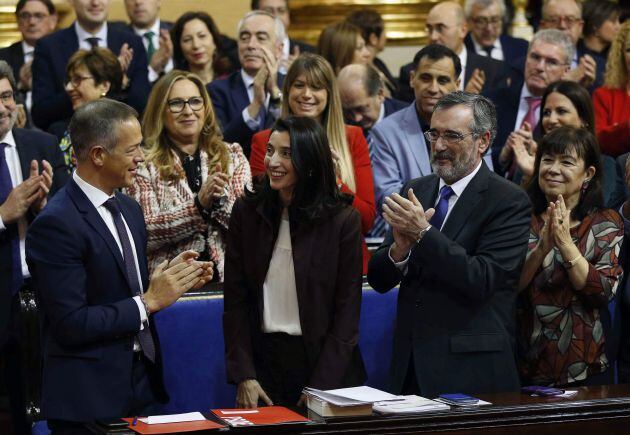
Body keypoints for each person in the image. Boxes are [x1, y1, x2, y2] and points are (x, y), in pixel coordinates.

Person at [26, 99, 212, 432]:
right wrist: (148, 301)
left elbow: (124, 287)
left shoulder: (129, 209)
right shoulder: (56, 224)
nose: (141, 158)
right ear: (98, 155)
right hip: (87, 400)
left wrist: (170, 279)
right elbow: (70, 323)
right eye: (132, 150)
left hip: (142, 383)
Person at [367, 91, 531, 396]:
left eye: (452, 136)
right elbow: (378, 279)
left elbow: (481, 278)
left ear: (483, 141)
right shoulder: (417, 189)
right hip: (411, 366)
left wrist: (424, 234)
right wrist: (398, 250)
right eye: (434, 134)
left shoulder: (508, 200)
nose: (439, 145)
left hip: (471, 372)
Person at [224, 116, 365, 408]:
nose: (273, 161)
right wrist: (244, 375)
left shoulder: (342, 220)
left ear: (311, 160)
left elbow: (346, 315)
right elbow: (236, 301)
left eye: (287, 153)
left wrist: (321, 386)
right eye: (271, 151)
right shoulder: (247, 212)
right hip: (264, 366)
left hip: (325, 368)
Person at [517, 126, 623, 387]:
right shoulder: (518, 217)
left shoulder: (605, 223)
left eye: (566, 161)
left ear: (588, 173)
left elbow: (602, 291)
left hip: (586, 367)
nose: (553, 169)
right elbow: (507, 286)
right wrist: (541, 248)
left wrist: (565, 243)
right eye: (547, 159)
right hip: (522, 364)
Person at [249, 53, 375, 272]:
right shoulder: (263, 141)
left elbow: (365, 221)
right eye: (299, 85)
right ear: (287, 91)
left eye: (317, 87)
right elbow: (259, 216)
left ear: (329, 94)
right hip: (284, 259)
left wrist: (333, 180)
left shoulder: (352, 138)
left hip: (342, 261)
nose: (307, 94)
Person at [125, 70, 250, 281]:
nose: (187, 110)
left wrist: (218, 201)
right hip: (170, 285)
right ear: (160, 111)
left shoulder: (232, 155)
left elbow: (248, 226)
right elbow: (144, 234)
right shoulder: (143, 165)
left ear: (205, 107)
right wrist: (198, 206)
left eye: (194, 101)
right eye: (176, 103)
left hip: (230, 280)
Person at [0, 59, 66, 435]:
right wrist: (2, 215)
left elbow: (71, 224)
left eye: (6, 96)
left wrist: (44, 209)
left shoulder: (42, 144)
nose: (1, 107)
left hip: (44, 297)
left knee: (44, 409)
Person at [31, 0, 150, 131]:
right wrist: (80, 88)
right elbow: (40, 114)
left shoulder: (131, 42)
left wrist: (119, 81)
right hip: (69, 137)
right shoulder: (49, 46)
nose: (95, 3)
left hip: (121, 135)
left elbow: (143, 107)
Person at [491, 29, 574, 176]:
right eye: (535, 57)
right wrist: (502, 156)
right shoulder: (492, 100)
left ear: (566, 71)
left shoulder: (570, 113)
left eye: (551, 62)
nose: (540, 67)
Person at [207, 10, 284, 159]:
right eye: (244, 38)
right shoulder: (216, 90)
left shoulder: (292, 85)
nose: (251, 45)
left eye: (261, 38)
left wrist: (275, 93)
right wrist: (255, 105)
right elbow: (218, 145)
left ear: (278, 49)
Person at [397, 1, 507, 102]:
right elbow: (411, 119)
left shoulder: (493, 70)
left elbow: (498, 119)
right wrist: (463, 100)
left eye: (440, 28)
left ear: (463, 30)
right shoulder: (410, 72)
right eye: (429, 29)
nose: (433, 36)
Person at [500, 80, 594, 183]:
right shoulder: (531, 158)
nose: (551, 120)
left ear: (583, 119)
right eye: (546, 113)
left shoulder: (604, 163)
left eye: (561, 111)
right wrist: (530, 174)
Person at [51, 47, 123, 171]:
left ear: (104, 86)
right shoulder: (57, 133)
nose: (69, 88)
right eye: (68, 80)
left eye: (77, 79)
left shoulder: (126, 129)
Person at [0, 0, 57, 123]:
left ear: (53, 20)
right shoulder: (2, 57)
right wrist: (20, 86)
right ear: (17, 20)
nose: (31, 22)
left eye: (39, 16)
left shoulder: (64, 55)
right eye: (25, 16)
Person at [538, 0, 603, 91]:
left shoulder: (600, 67)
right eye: (554, 20)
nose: (562, 26)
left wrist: (583, 87)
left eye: (570, 20)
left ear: (580, 27)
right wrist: (568, 84)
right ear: (543, 26)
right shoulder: (527, 66)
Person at [337, 63, 406, 138]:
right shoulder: (338, 124)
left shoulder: (408, 120)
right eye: (348, 111)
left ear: (380, 95)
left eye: (361, 109)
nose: (356, 118)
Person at [592, 21, 630, 158]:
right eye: (629, 50)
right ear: (620, 56)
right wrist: (627, 128)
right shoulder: (603, 95)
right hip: (615, 169)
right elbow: (597, 140)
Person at [252, 0, 315, 74]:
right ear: (254, 15)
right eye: (268, 11)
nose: (276, 16)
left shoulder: (311, 53)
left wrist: (300, 73)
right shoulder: (242, 56)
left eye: (281, 11)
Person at [346, 8, 397, 96]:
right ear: (373, 38)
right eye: (384, 31)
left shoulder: (378, 63)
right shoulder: (357, 71)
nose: (386, 36)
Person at [171, 12, 231, 85]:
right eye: (187, 39)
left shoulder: (231, 80)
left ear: (214, 41)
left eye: (202, 36)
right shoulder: (176, 85)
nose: (196, 45)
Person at [463, 0, 528, 62]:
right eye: (481, 21)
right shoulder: (460, 50)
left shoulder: (522, 48)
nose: (489, 28)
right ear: (469, 22)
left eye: (495, 20)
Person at [124, 0, 174, 82]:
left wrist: (168, 64)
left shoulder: (177, 33)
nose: (138, 2)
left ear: (158, 2)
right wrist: (152, 70)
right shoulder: (118, 42)